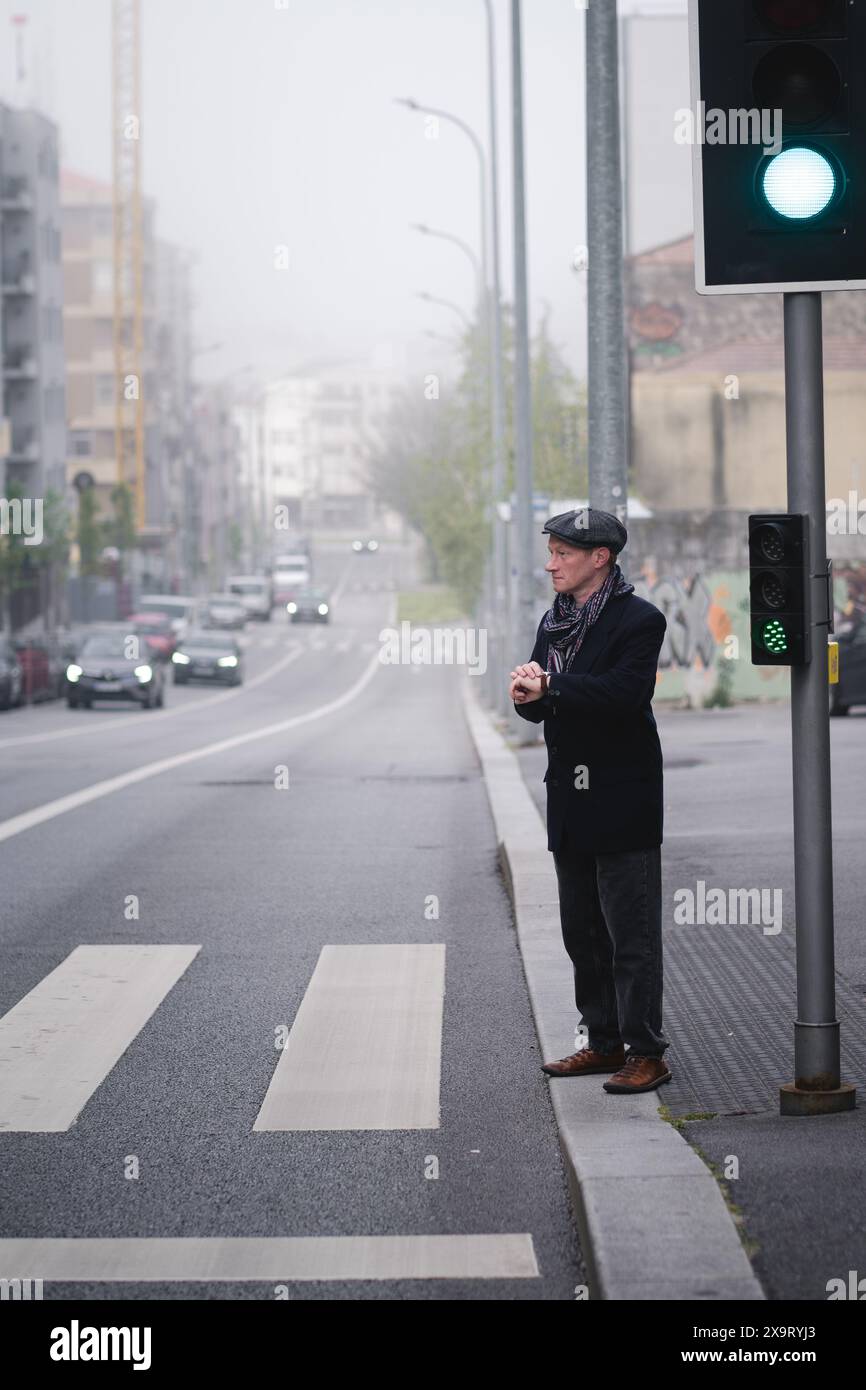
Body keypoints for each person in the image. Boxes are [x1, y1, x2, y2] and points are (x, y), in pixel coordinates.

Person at [509, 507, 671, 1094]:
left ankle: (647, 1052)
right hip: (569, 797)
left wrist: (552, 686)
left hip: (621, 797)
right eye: (551, 552)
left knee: (630, 935)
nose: (550, 564)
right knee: (583, 932)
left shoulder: (639, 620)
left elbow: (622, 695)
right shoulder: (555, 621)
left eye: (563, 554)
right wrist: (528, 695)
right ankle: (602, 1043)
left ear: (599, 558)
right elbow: (548, 704)